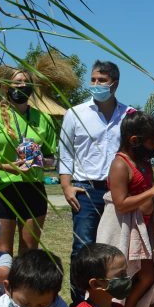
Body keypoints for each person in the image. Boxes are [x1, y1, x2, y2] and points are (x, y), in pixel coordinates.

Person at [99, 110, 154, 307]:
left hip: (144, 229)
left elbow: (146, 194)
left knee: (148, 277)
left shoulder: (142, 162)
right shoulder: (120, 164)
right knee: (121, 278)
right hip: (124, 230)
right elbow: (121, 203)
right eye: (153, 143)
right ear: (135, 140)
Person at [0, 66, 59, 254]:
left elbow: (50, 157)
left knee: (29, 250)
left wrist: (42, 160)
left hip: (33, 188)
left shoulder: (43, 118)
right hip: (2, 188)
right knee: (1, 249)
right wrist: (7, 167)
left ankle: (23, 284)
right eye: (17, 82)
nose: (22, 86)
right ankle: (2, 283)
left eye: (26, 82)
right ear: (6, 86)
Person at [58, 60, 129, 262]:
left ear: (114, 84)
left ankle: (109, 293)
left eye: (102, 80)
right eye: (93, 79)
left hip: (117, 191)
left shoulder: (127, 115)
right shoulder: (75, 114)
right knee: (83, 247)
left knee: (115, 246)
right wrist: (66, 186)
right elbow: (65, 152)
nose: (96, 84)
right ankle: (80, 294)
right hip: (85, 189)